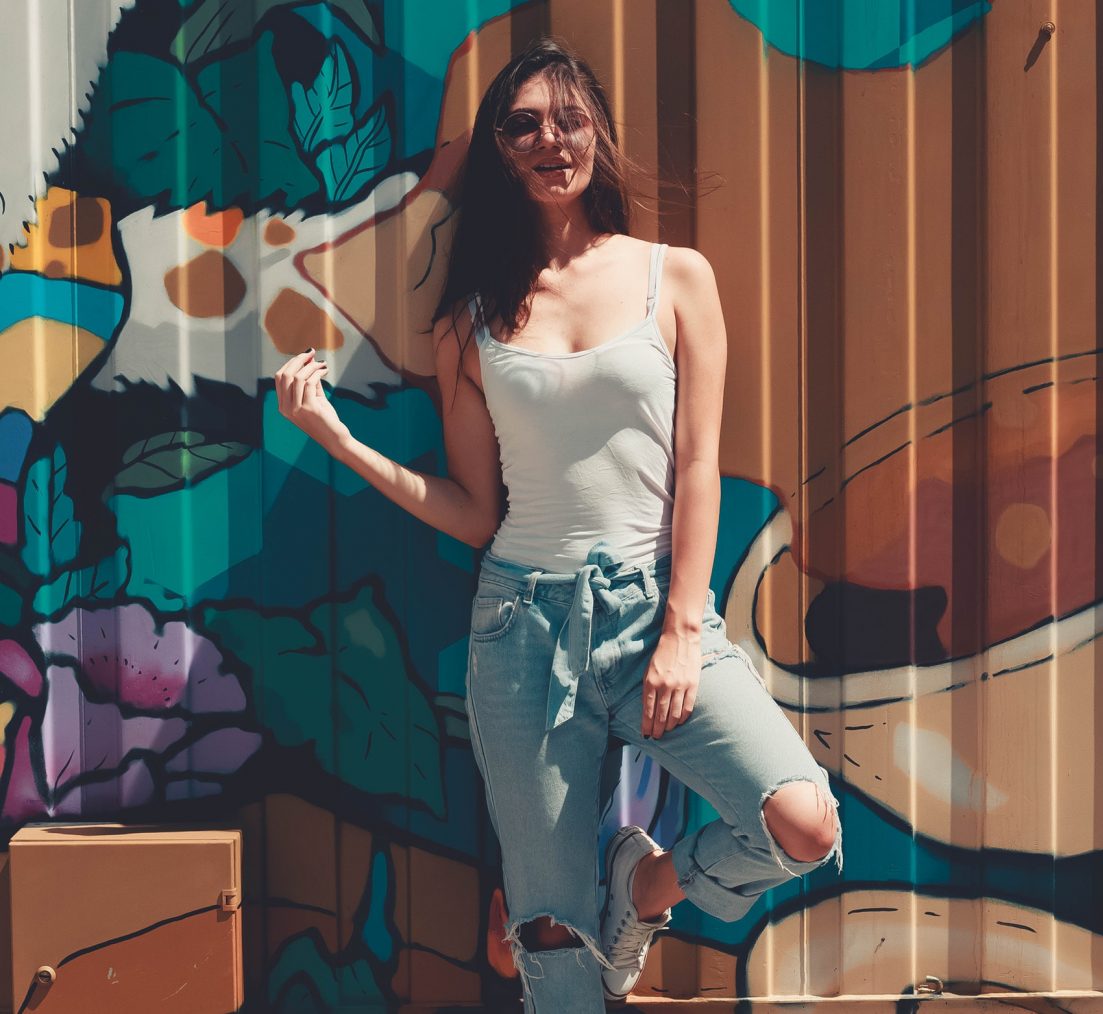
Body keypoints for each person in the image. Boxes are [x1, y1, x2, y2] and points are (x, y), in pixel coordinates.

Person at [274, 36, 842, 1014]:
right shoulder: (473, 320)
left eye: (568, 119)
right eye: (523, 123)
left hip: (654, 615)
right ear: (499, 149)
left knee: (801, 823)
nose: (549, 139)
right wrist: (337, 439)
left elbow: (698, 466)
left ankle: (646, 887)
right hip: (520, 632)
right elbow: (474, 511)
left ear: (599, 136)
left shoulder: (676, 278)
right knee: (546, 930)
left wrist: (678, 626)